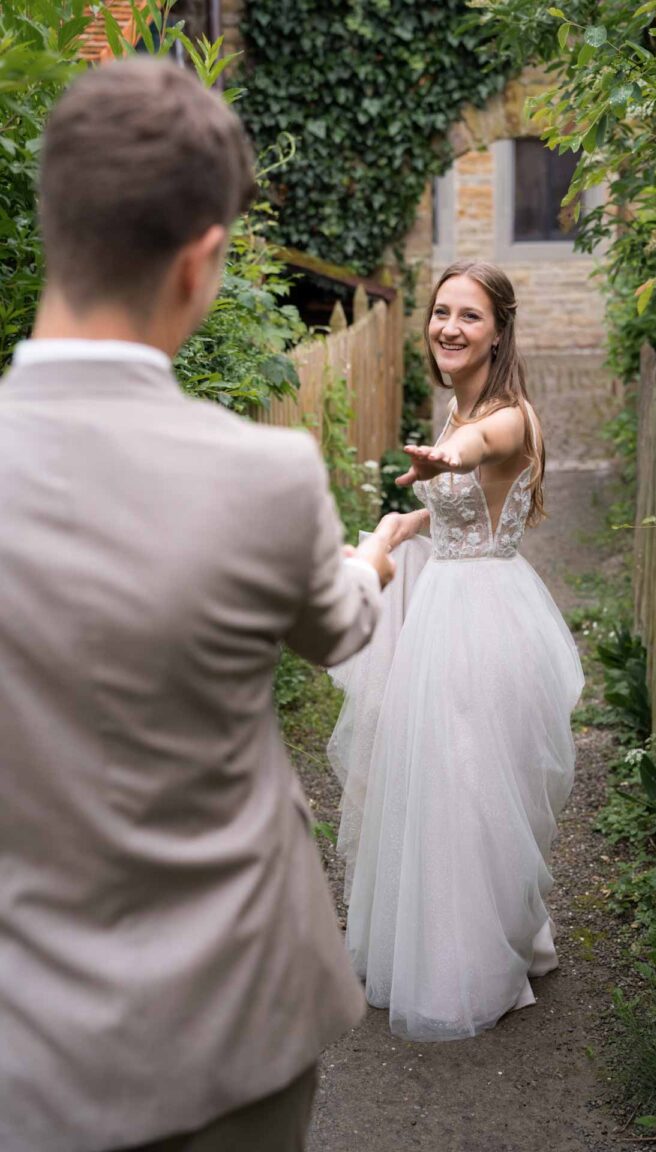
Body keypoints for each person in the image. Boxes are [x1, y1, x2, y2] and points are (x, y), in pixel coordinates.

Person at [0, 58, 396, 1152]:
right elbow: (341, 626)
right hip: (236, 1027)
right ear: (203, 260)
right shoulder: (264, 480)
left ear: (55, 221)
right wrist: (371, 560)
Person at [328, 260, 585, 1042]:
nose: (448, 327)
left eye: (468, 316)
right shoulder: (455, 405)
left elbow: (480, 450)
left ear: (499, 330)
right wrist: (403, 525)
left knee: (472, 784)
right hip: (449, 601)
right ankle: (460, 935)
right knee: (440, 778)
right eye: (441, 312)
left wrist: (451, 457)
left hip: (481, 621)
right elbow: (461, 511)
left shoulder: (504, 417)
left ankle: (466, 968)